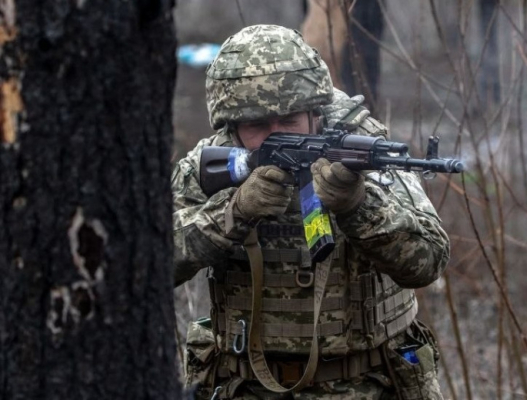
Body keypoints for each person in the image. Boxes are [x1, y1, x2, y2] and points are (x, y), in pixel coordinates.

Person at [172, 24, 450, 400]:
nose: (277, 135)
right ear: (232, 126)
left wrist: (358, 205)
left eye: (290, 120)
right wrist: (232, 213)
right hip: (244, 384)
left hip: (367, 381)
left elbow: (428, 261)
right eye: (258, 125)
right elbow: (147, 268)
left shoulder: (360, 152)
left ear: (315, 112)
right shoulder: (212, 164)